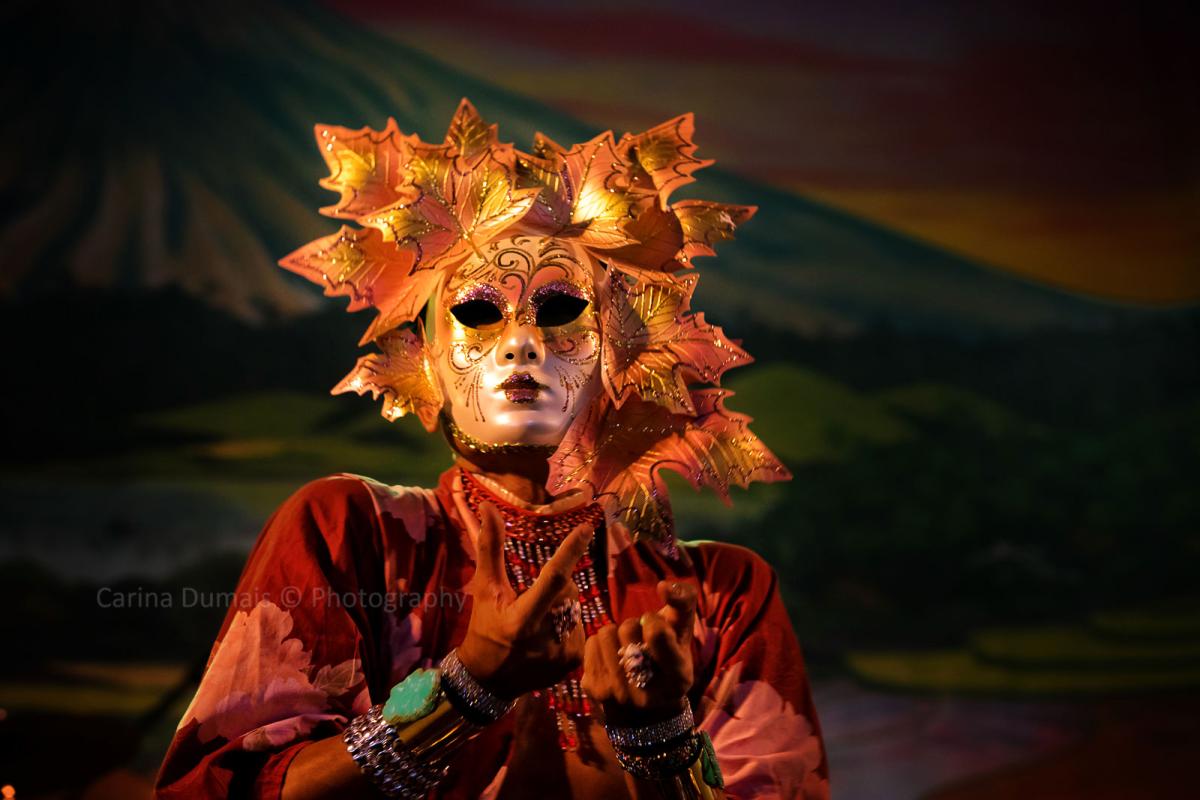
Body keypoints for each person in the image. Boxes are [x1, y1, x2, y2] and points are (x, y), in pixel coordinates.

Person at [154, 100, 830, 799]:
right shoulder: (350, 535)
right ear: (426, 360)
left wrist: (662, 743)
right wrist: (464, 691)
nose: (520, 343)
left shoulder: (720, 596)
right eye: (477, 313)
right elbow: (220, 790)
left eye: (561, 310)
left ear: (624, 350)